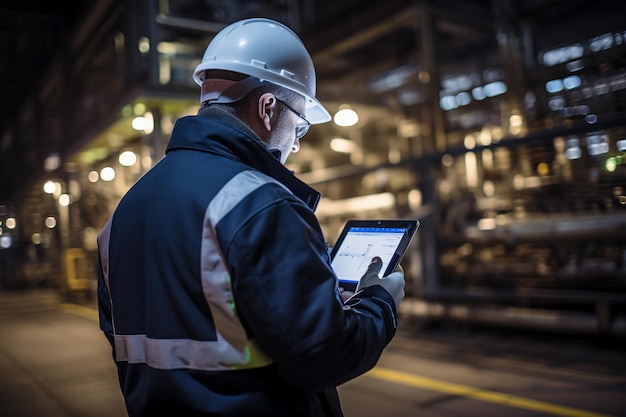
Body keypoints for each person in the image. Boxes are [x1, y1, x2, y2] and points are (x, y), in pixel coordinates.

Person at [97, 17, 405, 417]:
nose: (296, 140)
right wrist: (381, 304)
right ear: (268, 107)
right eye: (301, 124)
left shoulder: (124, 212)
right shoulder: (260, 204)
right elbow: (324, 356)